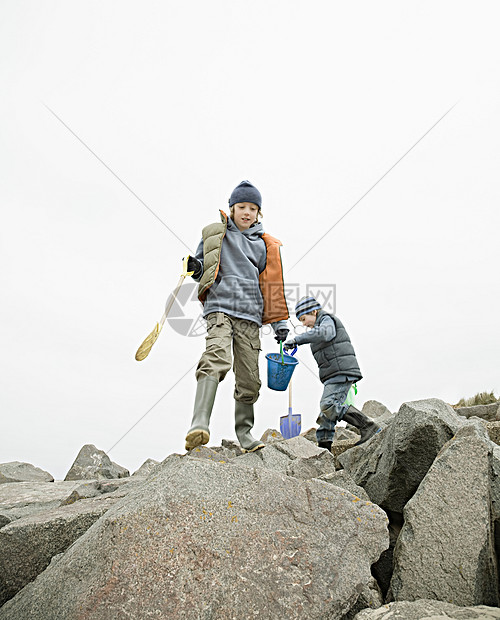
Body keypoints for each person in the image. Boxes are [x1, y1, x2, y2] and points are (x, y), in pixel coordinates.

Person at [184, 180, 290, 452]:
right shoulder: (215, 234)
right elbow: (202, 267)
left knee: (250, 378)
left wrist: (279, 323)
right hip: (220, 307)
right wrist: (195, 268)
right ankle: (199, 423)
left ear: (259, 213)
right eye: (241, 206)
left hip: (250, 316)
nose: (247, 212)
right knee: (216, 356)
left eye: (253, 208)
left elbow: (272, 286)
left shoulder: (265, 246)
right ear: (231, 208)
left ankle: (244, 432)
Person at [284, 296, 380, 450]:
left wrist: (297, 340)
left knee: (328, 405)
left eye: (304, 318)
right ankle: (324, 447)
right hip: (332, 374)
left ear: (314, 311)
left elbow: (325, 334)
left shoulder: (327, 320)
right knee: (326, 412)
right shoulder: (318, 327)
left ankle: (369, 427)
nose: (303, 324)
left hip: (341, 371)